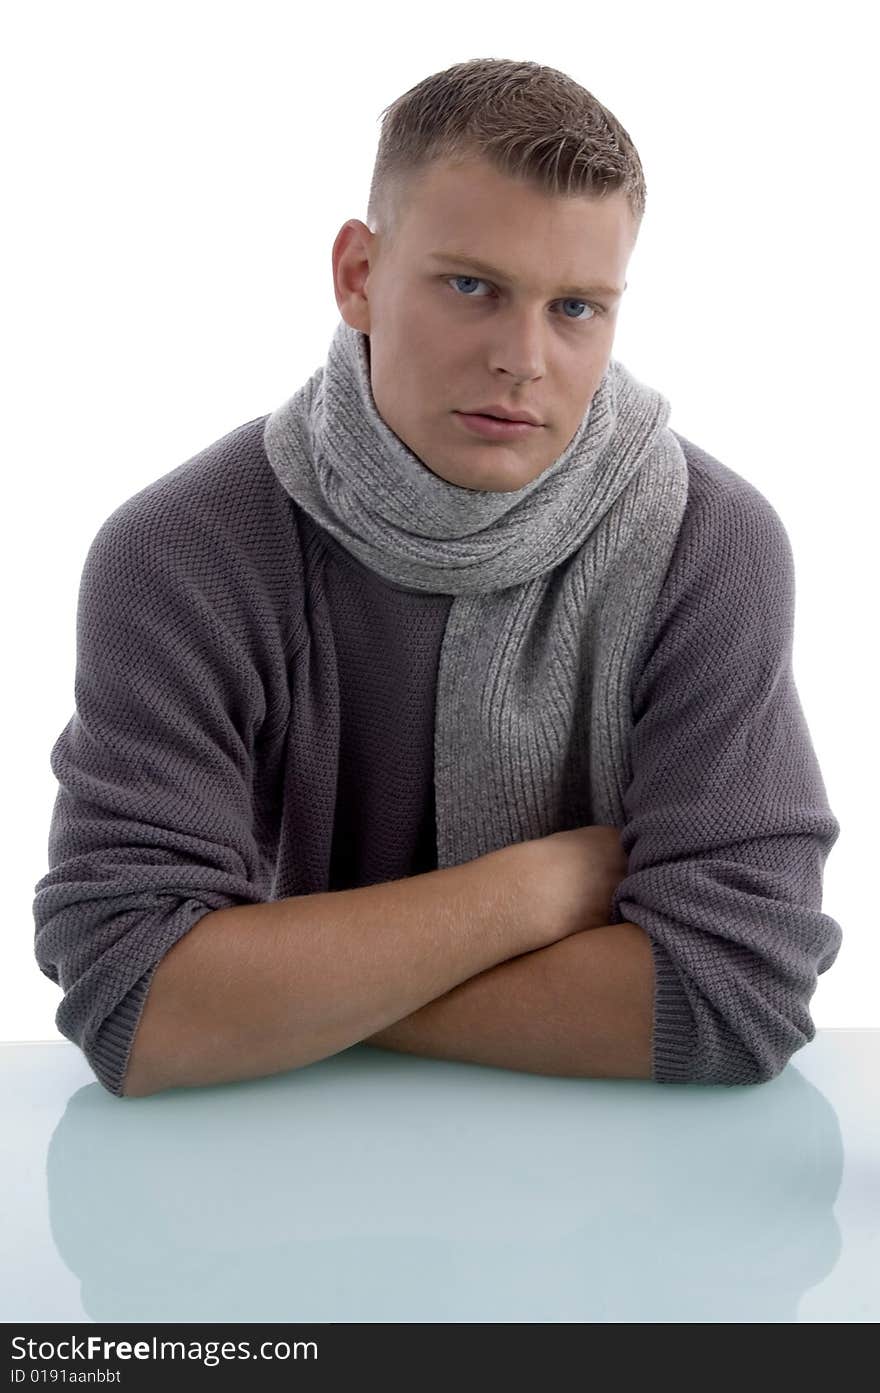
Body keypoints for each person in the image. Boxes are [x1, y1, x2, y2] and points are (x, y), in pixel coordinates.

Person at [32, 58, 842, 1099]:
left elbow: (736, 992)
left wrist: (268, 996)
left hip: (611, 1216)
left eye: (577, 309)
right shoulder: (182, 551)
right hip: (271, 1200)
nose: (524, 357)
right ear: (358, 275)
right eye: (473, 286)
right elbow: (132, 1000)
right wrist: (526, 894)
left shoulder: (708, 541)